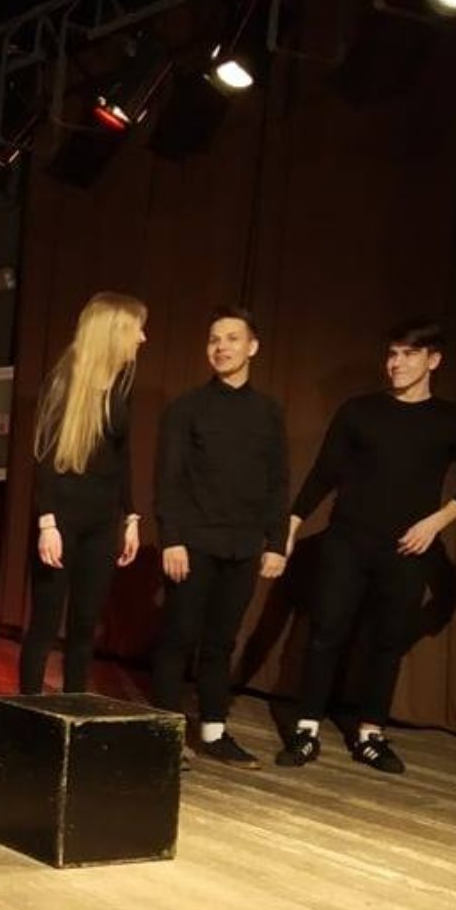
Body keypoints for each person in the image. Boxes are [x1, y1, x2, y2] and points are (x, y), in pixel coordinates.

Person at [277, 320, 456, 774]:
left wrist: (435, 522)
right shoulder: (359, 411)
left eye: (409, 355)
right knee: (326, 633)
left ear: (433, 360)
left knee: (386, 641)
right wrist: (292, 523)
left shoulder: (454, 420)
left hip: (407, 549)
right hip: (348, 541)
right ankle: (307, 729)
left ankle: (370, 733)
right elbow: (324, 472)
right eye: (392, 354)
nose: (396, 363)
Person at [149, 307, 289, 768]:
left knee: (222, 640)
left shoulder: (268, 411)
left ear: (253, 346)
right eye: (214, 339)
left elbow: (277, 482)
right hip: (193, 544)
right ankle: (166, 734)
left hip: (244, 546)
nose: (221, 347)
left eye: (232, 338)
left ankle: (213, 730)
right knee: (178, 638)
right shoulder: (186, 409)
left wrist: (275, 542)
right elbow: (168, 479)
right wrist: (172, 538)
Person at [18, 292, 146, 694]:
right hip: (61, 519)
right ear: (113, 331)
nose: (142, 338)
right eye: (136, 328)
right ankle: (28, 705)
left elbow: (123, 458)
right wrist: (47, 523)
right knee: (45, 622)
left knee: (85, 623)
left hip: (102, 521)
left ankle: (74, 704)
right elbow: (44, 460)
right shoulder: (64, 382)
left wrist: (131, 516)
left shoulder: (122, 383)